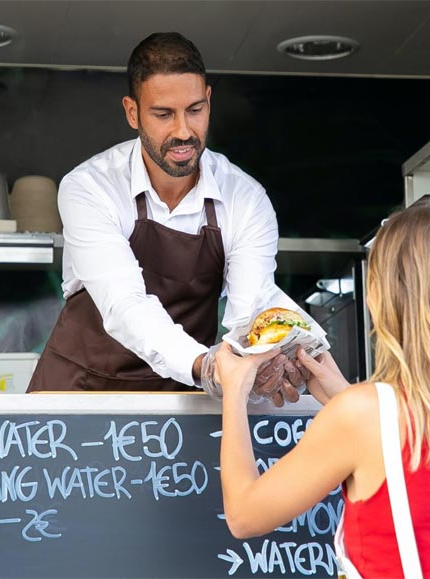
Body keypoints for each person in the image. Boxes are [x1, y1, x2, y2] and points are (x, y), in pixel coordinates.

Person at [215, 203, 430, 578]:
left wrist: (234, 390)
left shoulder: (361, 417)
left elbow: (244, 516)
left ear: (389, 296)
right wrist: (344, 393)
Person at [28, 32, 305, 402]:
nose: (183, 132)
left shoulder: (246, 199)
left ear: (209, 101)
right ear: (132, 112)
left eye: (195, 110)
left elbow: (249, 311)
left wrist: (262, 362)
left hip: (180, 402)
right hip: (79, 395)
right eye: (163, 114)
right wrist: (204, 366)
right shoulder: (89, 187)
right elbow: (124, 303)